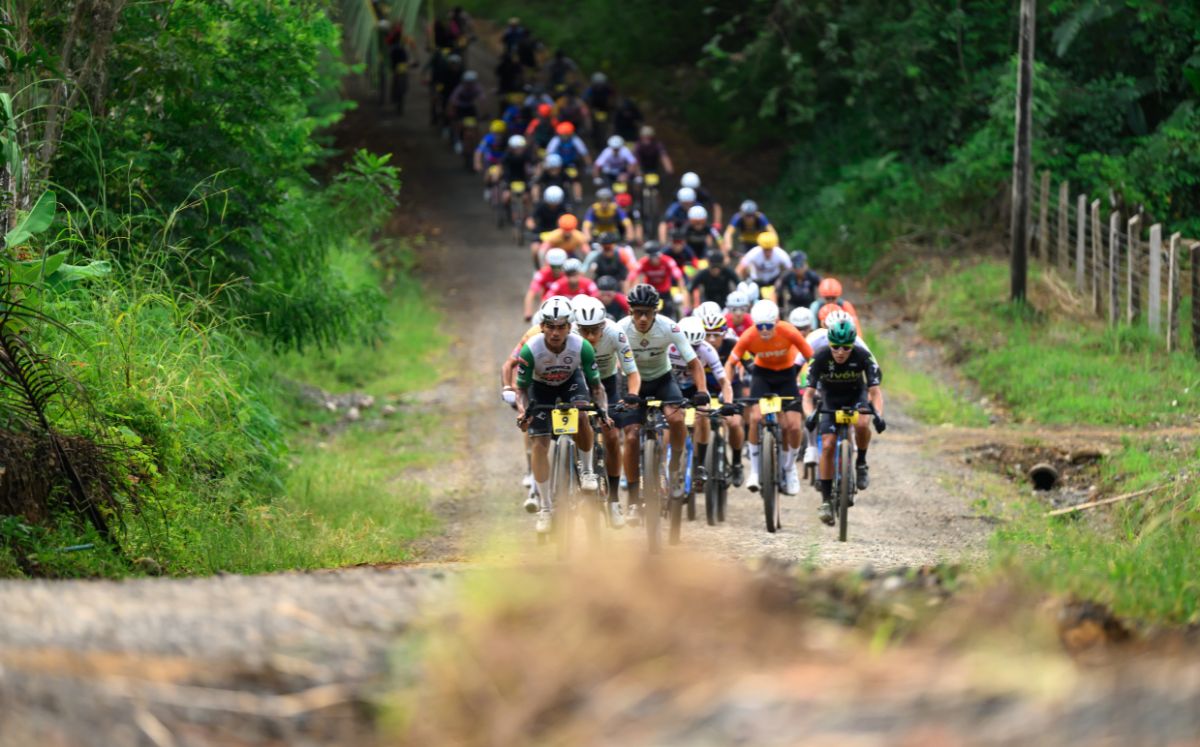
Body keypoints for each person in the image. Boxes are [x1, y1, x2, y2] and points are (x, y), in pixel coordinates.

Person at [514, 299, 608, 534]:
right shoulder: (531, 349)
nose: (555, 332)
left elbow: (596, 387)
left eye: (561, 326)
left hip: (570, 384)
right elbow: (521, 390)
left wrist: (603, 411)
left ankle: (587, 471)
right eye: (550, 326)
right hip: (540, 388)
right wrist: (524, 412)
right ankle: (545, 508)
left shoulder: (582, 347)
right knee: (540, 443)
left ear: (569, 327)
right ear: (543, 326)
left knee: (581, 414)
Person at [618, 285, 710, 519]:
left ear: (655, 312)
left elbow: (694, 363)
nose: (642, 318)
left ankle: (676, 463)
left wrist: (701, 391)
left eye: (647, 313)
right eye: (637, 312)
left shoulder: (669, 327)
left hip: (662, 379)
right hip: (632, 382)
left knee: (677, 417)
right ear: (630, 311)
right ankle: (632, 498)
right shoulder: (620, 330)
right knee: (630, 436)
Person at [724, 299, 815, 495]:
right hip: (762, 376)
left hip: (786, 376)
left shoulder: (789, 331)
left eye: (768, 326)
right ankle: (755, 471)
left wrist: (814, 382)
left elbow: (811, 358)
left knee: (792, 426)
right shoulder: (749, 335)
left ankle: (789, 468)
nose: (764, 330)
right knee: (756, 418)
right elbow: (731, 363)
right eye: (760, 326)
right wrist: (727, 391)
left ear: (776, 321)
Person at [802, 318, 885, 526]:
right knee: (828, 445)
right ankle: (826, 501)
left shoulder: (862, 356)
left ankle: (861, 463)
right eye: (835, 347)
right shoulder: (820, 357)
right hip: (830, 399)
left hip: (856, 396)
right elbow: (808, 395)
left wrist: (879, 415)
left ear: (853, 345)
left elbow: (875, 392)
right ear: (828, 343)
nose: (840, 352)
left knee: (862, 424)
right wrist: (810, 415)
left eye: (846, 347)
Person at [573, 295, 640, 527]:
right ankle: (574, 473)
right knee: (574, 424)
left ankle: (613, 501)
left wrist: (632, 396)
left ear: (603, 325)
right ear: (576, 327)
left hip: (608, 383)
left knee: (612, 436)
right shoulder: (568, 332)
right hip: (578, 382)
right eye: (585, 332)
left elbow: (632, 372)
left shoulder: (615, 333)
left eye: (595, 331)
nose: (590, 338)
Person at [670, 316, 734, 486]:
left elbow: (724, 382)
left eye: (695, 346)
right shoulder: (668, 346)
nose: (691, 349)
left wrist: (728, 402)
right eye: (687, 345)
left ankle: (699, 464)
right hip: (671, 386)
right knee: (669, 420)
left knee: (704, 414)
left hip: (695, 388)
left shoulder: (707, 350)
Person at [695, 303, 746, 484]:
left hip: (729, 386)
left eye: (715, 335)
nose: (711, 339)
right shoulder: (697, 347)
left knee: (733, 422)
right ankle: (697, 464)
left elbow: (748, 364)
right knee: (696, 420)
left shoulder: (733, 345)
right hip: (706, 388)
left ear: (724, 334)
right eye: (706, 335)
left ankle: (738, 462)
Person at [627, 242, 684, 318]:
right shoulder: (643, 262)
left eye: (656, 257)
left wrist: (681, 292)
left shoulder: (668, 261)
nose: (654, 260)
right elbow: (631, 276)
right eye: (651, 257)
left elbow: (679, 277)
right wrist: (629, 292)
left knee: (670, 308)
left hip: (665, 291)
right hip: (649, 292)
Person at [546, 121, 589, 202]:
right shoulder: (556, 140)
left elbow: (584, 153)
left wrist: (588, 166)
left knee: (575, 179)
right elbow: (549, 153)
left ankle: (578, 198)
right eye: (561, 134)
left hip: (571, 164)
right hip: (559, 164)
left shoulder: (575, 140)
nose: (563, 136)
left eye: (565, 134)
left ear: (570, 133)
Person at [524, 247, 569, 320]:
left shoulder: (569, 274)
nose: (556, 270)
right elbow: (531, 293)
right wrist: (528, 312)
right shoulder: (542, 274)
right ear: (548, 264)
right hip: (547, 303)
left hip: (566, 304)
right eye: (553, 266)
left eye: (559, 266)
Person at [448, 70, 486, 153]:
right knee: (459, 125)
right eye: (468, 82)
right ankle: (457, 141)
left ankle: (477, 143)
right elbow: (452, 100)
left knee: (475, 125)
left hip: (470, 107)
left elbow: (482, 99)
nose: (470, 84)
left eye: (471, 82)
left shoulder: (477, 87)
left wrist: (483, 112)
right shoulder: (460, 88)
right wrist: (452, 111)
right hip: (460, 108)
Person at [776, 250, 822, 315]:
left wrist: (821, 303)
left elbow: (824, 287)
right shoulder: (787, 275)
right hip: (793, 306)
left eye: (800, 265)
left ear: (806, 265)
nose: (798, 268)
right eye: (795, 265)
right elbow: (776, 292)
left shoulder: (812, 275)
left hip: (809, 306)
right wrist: (774, 307)